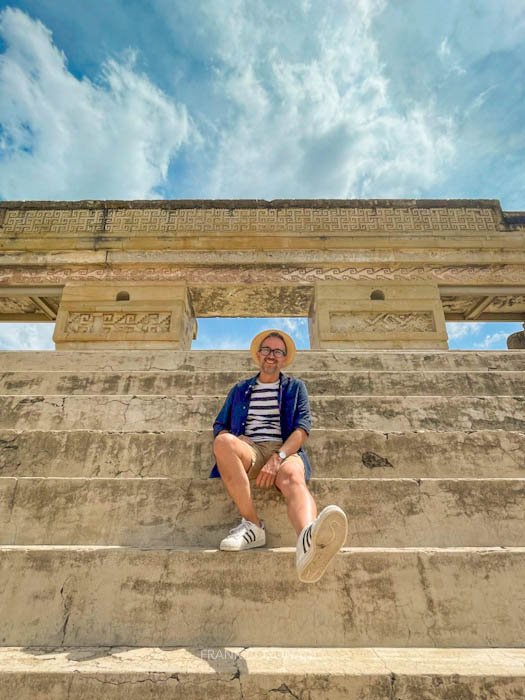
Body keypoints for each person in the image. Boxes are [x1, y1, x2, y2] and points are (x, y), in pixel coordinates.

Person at [209, 328, 348, 583]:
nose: (271, 355)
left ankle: (307, 540)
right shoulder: (240, 390)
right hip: (251, 449)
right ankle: (252, 526)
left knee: (292, 475)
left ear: (284, 358)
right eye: (266, 350)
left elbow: (302, 429)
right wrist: (238, 438)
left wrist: (279, 457)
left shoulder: (295, 388)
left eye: (277, 351)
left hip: (285, 448)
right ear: (258, 355)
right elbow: (220, 425)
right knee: (223, 442)